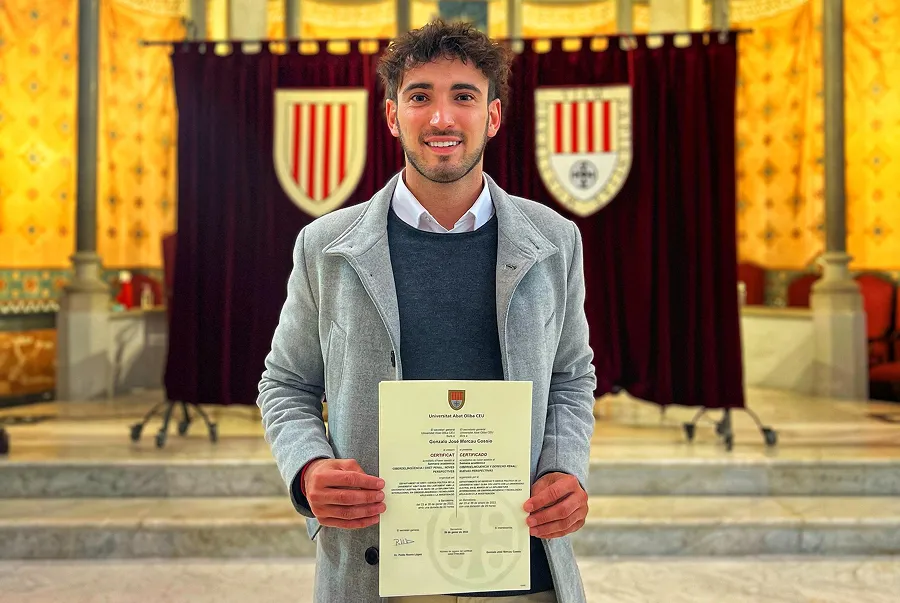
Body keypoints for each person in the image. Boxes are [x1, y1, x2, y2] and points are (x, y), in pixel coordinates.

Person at [257, 19, 596, 603]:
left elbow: (571, 376)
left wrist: (567, 467)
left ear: (491, 116)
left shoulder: (553, 241)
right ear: (393, 116)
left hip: (522, 570)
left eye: (463, 96)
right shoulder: (326, 247)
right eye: (420, 97)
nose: (441, 118)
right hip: (376, 570)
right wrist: (309, 467)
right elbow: (284, 383)